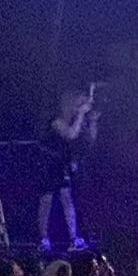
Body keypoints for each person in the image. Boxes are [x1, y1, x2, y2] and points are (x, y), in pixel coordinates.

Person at [36, 84, 100, 252]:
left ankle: (74, 238)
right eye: (78, 105)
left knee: (67, 200)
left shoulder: (76, 121)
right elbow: (70, 134)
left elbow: (88, 140)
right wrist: (80, 114)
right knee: (46, 201)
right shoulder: (56, 121)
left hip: (62, 165)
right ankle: (43, 239)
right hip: (48, 164)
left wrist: (92, 121)